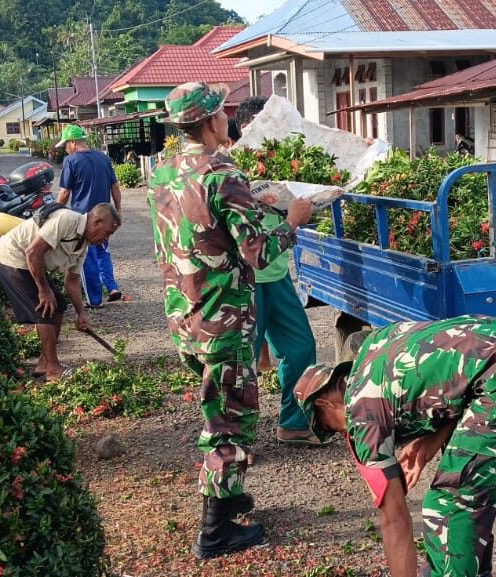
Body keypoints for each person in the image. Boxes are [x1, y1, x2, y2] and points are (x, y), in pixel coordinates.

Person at [146, 82, 314, 559]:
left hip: (185, 316)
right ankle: (215, 532)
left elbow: (199, 232)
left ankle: (230, 494)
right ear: (211, 121)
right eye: (225, 112)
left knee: (215, 407)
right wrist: (293, 220)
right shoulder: (222, 172)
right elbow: (259, 256)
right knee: (229, 425)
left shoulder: (163, 173)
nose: (229, 119)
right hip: (224, 319)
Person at [294, 315, 496, 577]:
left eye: (330, 427)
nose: (342, 433)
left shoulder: (361, 414)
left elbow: (394, 520)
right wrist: (427, 444)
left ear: (325, 403)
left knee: (447, 507)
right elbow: (462, 380)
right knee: (479, 495)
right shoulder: (375, 348)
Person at [234, 95, 322, 445]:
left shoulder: (282, 161)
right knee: (244, 362)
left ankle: (294, 423)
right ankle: (238, 441)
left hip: (277, 274)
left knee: (300, 348)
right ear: (245, 128)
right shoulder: (230, 171)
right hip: (245, 280)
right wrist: (288, 222)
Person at [0, 203, 121, 382]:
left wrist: (81, 314)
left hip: (30, 263)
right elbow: (32, 252)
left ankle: (45, 363)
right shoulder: (66, 219)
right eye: (107, 233)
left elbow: (72, 280)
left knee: (58, 304)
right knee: (45, 309)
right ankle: (52, 368)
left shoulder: (83, 244)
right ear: (97, 221)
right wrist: (44, 290)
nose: (106, 239)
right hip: (12, 257)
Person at [55, 124, 123, 308]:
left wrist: (52, 211)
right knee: (103, 252)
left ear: (73, 142)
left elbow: (64, 193)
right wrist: (118, 211)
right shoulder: (103, 158)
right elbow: (115, 187)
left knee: (86, 258)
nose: (66, 148)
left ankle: (94, 300)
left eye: (66, 145)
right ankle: (112, 287)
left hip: (84, 219)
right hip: (106, 215)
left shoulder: (71, 161)